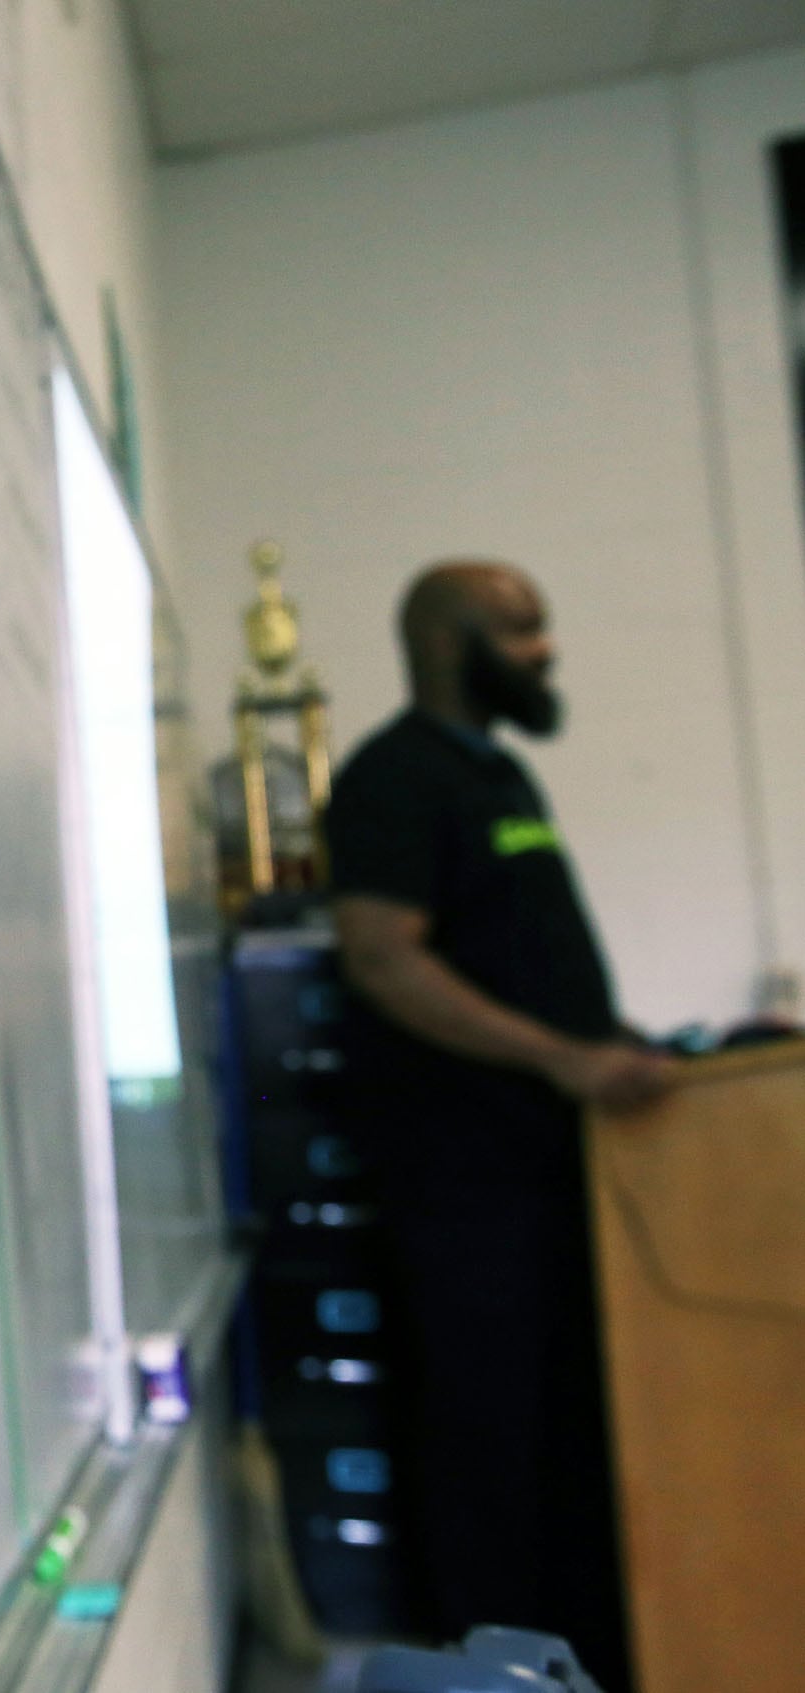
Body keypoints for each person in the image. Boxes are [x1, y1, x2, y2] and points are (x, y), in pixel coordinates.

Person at [324, 559, 674, 1692]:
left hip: (549, 1175)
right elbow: (382, 958)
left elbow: (526, 960)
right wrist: (562, 1058)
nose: (545, 651)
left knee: (564, 1449)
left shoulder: (503, 780)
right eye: (521, 631)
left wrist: (619, 1043)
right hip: (463, 1189)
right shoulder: (391, 779)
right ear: (449, 643)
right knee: (488, 1455)